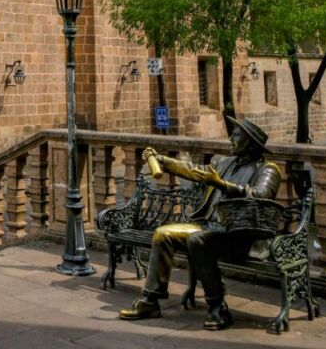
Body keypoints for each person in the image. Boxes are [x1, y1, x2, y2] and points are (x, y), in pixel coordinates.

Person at [119, 116, 281, 331]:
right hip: (211, 227)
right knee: (163, 234)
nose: (231, 138)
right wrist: (163, 161)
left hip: (241, 235)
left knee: (198, 241)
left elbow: (260, 196)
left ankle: (217, 307)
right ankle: (151, 300)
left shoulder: (268, 169)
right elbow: (194, 170)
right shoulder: (226, 163)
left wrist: (221, 185)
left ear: (250, 143)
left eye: (237, 135)